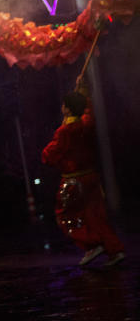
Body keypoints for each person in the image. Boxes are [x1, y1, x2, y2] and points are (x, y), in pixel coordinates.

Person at [41, 79, 125, 267]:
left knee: (65, 215)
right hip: (92, 178)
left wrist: (50, 154)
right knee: (96, 215)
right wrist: (84, 93)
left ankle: (91, 244)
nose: (62, 108)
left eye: (64, 106)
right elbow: (87, 112)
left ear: (68, 110)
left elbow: (49, 155)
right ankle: (114, 249)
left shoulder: (65, 131)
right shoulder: (87, 123)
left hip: (74, 182)